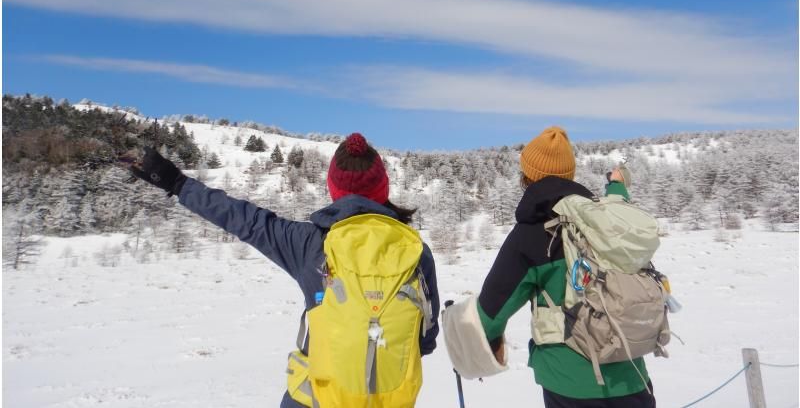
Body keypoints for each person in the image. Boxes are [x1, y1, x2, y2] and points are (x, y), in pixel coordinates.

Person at [129, 132, 440, 408]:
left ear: (333, 189)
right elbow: (426, 339)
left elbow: (244, 219)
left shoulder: (309, 243)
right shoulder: (416, 252)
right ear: (382, 187)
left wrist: (177, 183)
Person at [443, 126, 655, 407]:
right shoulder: (605, 222)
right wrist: (616, 185)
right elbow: (618, 201)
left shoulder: (531, 233)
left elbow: (489, 316)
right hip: (632, 378)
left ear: (526, 176)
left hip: (569, 385)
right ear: (570, 174)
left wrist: (461, 340)